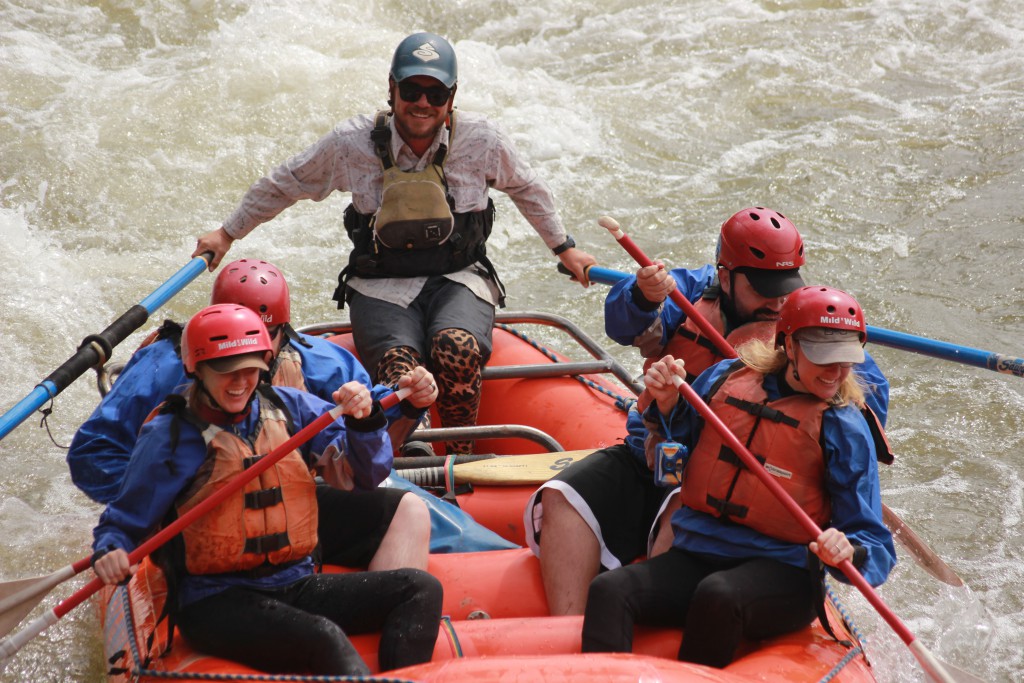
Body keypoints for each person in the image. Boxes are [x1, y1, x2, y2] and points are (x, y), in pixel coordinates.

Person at [191, 32, 596, 454]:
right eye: (412, 90)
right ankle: (404, 452)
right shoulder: (350, 142)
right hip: (379, 284)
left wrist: (563, 248)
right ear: (391, 88)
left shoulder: (482, 140)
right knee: (401, 371)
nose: (423, 103)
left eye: (435, 93)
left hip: (459, 277)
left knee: (455, 346)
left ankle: (459, 455)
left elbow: (528, 187)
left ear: (451, 98)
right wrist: (228, 233)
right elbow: (286, 182)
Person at [527, 208, 892, 615]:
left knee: (678, 519)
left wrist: (803, 395)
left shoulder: (806, 327)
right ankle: (568, 630)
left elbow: (863, 397)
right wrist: (642, 296)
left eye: (783, 286)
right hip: (651, 449)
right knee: (562, 497)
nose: (776, 300)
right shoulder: (687, 290)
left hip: (715, 473)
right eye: (762, 286)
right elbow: (621, 324)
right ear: (726, 276)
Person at [92, 304, 443, 676]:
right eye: (226, 371)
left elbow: (365, 475)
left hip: (294, 582)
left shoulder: (289, 408)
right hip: (215, 602)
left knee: (420, 588)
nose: (240, 382)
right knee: (324, 637)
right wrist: (111, 550)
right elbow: (123, 522)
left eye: (250, 370)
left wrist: (365, 422)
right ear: (196, 369)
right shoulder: (170, 436)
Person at [580, 286, 897, 667]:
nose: (836, 372)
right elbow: (680, 440)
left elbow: (874, 542)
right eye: (823, 358)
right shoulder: (727, 377)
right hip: (698, 553)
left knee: (719, 595)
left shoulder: (843, 426)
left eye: (846, 360)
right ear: (789, 347)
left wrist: (848, 549)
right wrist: (666, 403)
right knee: (609, 590)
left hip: (784, 574)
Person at [69, 259, 440, 570]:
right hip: (201, 523)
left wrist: (410, 398)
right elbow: (93, 453)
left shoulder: (322, 363)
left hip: (303, 497)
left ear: (283, 329)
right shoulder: (164, 367)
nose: (250, 349)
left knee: (415, 513)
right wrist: (164, 498)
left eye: (266, 333)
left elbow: (372, 425)